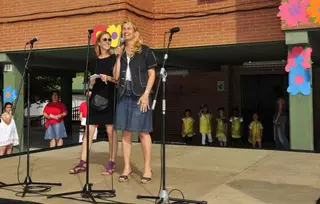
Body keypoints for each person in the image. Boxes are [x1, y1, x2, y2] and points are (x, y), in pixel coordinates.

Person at [69, 31, 118, 175]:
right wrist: (91, 83)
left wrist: (108, 78)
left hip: (110, 96)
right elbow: (88, 82)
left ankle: (111, 162)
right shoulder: (93, 60)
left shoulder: (114, 58)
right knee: (88, 130)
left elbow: (118, 79)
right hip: (95, 98)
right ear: (98, 42)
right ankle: (82, 162)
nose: (108, 41)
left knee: (110, 131)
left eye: (109, 39)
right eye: (105, 39)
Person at [114, 21, 157, 184]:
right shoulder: (120, 52)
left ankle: (147, 168)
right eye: (123, 29)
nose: (125, 31)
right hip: (124, 94)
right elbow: (117, 76)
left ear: (135, 31)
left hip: (140, 94)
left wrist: (146, 94)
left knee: (143, 132)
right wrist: (117, 57)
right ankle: (126, 167)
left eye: (128, 29)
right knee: (125, 132)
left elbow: (152, 74)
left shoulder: (145, 50)